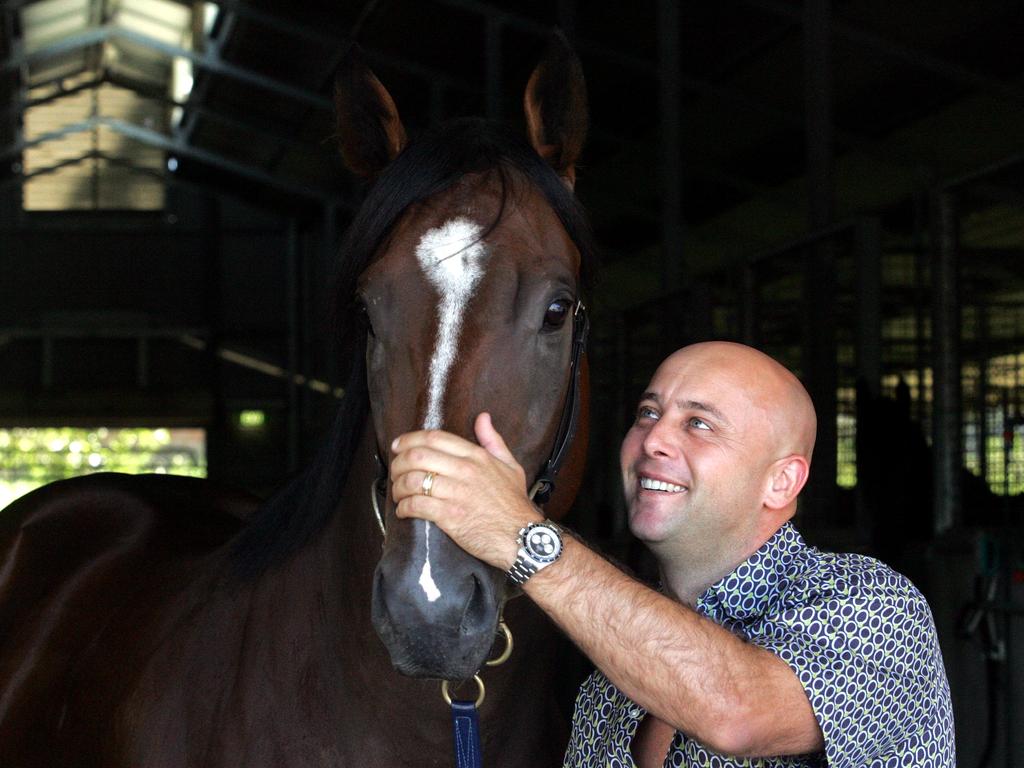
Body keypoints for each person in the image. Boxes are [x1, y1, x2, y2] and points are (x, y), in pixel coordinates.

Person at [389, 341, 954, 767]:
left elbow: (736, 711)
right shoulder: (608, 692)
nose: (654, 439)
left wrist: (519, 532)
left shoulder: (874, 607)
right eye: (647, 412)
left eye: (699, 423)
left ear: (781, 483)